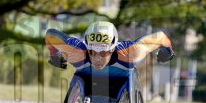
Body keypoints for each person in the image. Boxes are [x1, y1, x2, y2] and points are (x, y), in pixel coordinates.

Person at [45, 21, 175, 74]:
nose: (97, 58)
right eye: (92, 51)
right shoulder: (77, 50)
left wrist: (168, 50)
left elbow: (161, 37)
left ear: (112, 49)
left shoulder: (131, 52)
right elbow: (50, 34)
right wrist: (54, 55)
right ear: (86, 47)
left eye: (103, 52)